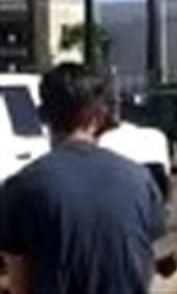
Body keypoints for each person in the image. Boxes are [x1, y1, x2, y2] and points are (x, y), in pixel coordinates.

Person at [0, 63, 167, 294]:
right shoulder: (140, 180)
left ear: (44, 116)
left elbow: (20, 283)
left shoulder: (20, 188)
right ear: (98, 118)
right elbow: (144, 264)